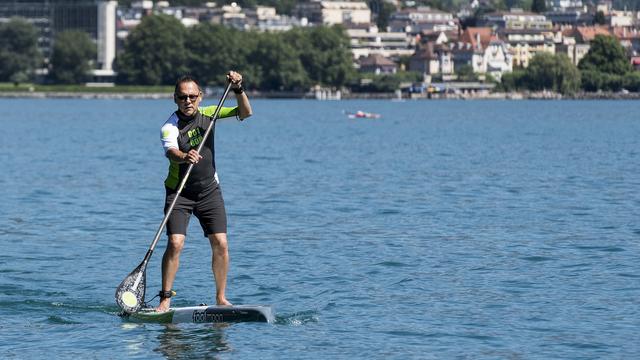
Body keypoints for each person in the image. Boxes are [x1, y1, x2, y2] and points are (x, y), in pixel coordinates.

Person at [157, 71, 252, 311]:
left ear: (200, 97)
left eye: (191, 96)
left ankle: (221, 298)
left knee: (220, 243)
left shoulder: (210, 113)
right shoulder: (170, 126)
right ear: (175, 99)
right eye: (182, 97)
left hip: (209, 191)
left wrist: (239, 89)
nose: (187, 101)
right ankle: (165, 300)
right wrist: (184, 155)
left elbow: (245, 112)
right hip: (180, 193)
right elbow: (171, 152)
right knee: (176, 243)